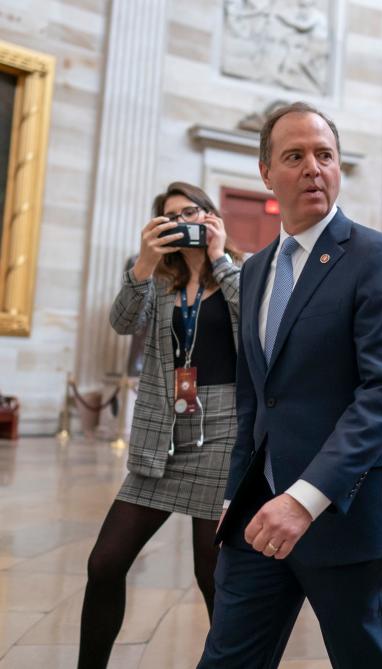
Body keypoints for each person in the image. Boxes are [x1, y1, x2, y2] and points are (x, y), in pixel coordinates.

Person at [199, 101, 382, 668]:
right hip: (259, 516)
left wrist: (304, 501)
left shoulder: (378, 257)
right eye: (295, 155)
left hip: (347, 513)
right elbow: (255, 396)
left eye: (325, 155)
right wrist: (237, 496)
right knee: (226, 658)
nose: (313, 167)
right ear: (266, 173)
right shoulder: (256, 268)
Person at [81, 182, 242, 668]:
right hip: (163, 430)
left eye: (191, 211)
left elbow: (258, 319)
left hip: (223, 430)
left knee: (211, 570)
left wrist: (220, 259)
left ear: (211, 216)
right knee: (104, 562)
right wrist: (143, 264)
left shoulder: (246, 269)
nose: (183, 221)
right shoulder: (158, 280)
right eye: (171, 217)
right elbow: (122, 322)